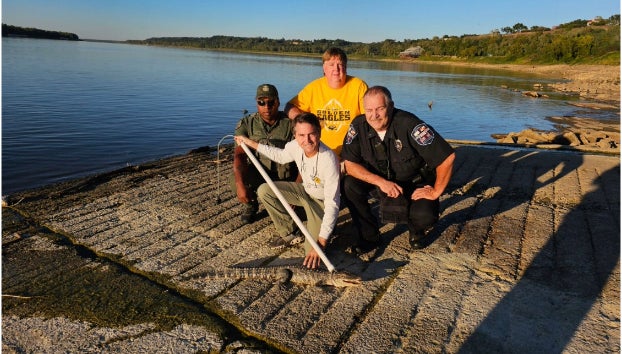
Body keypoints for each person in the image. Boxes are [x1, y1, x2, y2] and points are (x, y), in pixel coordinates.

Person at [340, 86, 456, 253]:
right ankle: (369, 237)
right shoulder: (358, 125)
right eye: (369, 110)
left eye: (380, 109)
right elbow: (350, 164)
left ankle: (416, 230)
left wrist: (436, 191)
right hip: (381, 183)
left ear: (391, 106)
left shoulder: (409, 124)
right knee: (349, 184)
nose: (374, 115)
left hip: (414, 184)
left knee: (425, 216)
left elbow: (447, 157)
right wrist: (381, 182)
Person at [234, 113, 341, 269]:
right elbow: (280, 156)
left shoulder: (329, 159)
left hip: (322, 202)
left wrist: (322, 240)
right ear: (295, 135)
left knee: (312, 256)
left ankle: (324, 229)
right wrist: (250, 143)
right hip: (305, 191)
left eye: (311, 134)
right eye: (301, 135)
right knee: (265, 190)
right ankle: (290, 232)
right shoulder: (295, 146)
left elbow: (333, 203)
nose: (307, 140)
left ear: (319, 133)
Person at [231, 84, 297, 224]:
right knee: (235, 178)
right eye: (261, 102)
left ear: (278, 102)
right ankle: (251, 205)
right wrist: (240, 184)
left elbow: (303, 159)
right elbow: (239, 155)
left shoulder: (291, 124)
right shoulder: (247, 123)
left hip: (285, 178)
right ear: (256, 104)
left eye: (271, 102)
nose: (266, 107)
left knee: (299, 214)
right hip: (260, 174)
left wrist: (298, 190)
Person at [284, 47, 368, 156]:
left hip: (350, 153)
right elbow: (289, 107)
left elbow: (369, 119)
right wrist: (303, 121)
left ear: (346, 67)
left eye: (340, 64)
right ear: (324, 68)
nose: (336, 69)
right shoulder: (314, 88)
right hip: (320, 152)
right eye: (331, 64)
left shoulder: (358, 86)